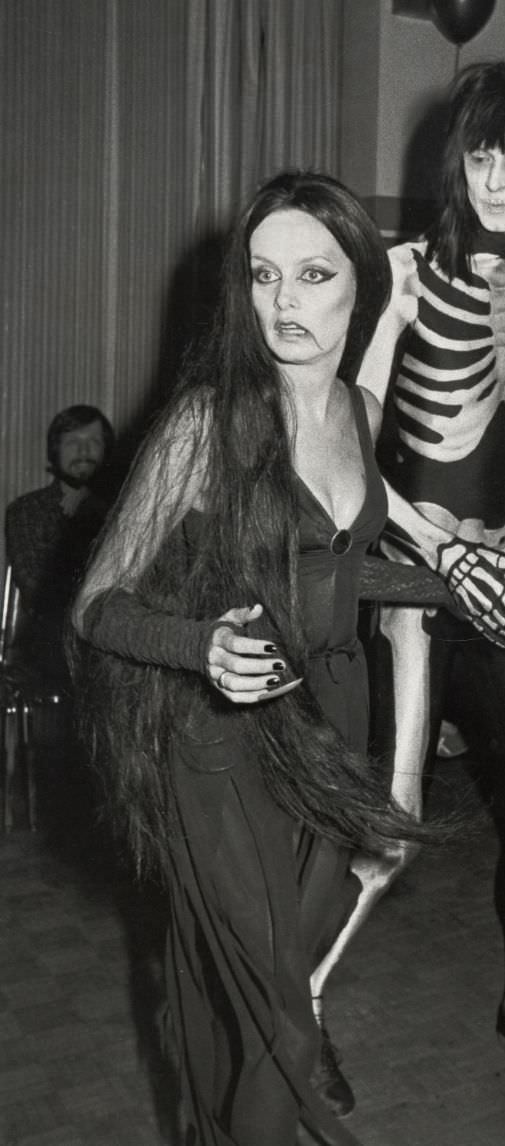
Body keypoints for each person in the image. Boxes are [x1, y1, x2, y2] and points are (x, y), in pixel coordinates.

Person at [69, 171, 465, 1146]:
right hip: (222, 746)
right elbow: (93, 607)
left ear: (358, 289)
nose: (284, 302)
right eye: (262, 275)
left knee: (263, 1000)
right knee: (279, 1007)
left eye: (313, 274)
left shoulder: (360, 419)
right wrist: (200, 646)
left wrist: (458, 582)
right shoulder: (208, 423)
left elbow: (338, 572)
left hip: (333, 731)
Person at [330, 59, 505, 1108]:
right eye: (483, 156)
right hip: (413, 575)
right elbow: (348, 435)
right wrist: (433, 553)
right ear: (460, 161)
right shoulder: (399, 271)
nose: (497, 180)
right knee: (388, 824)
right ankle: (300, 1009)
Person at [5, 403, 115, 691]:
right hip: (49, 651)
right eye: (73, 442)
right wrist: (78, 524)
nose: (83, 451)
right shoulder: (27, 510)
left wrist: (95, 512)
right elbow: (39, 590)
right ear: (55, 450)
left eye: (93, 442)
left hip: (114, 645)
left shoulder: (121, 510)